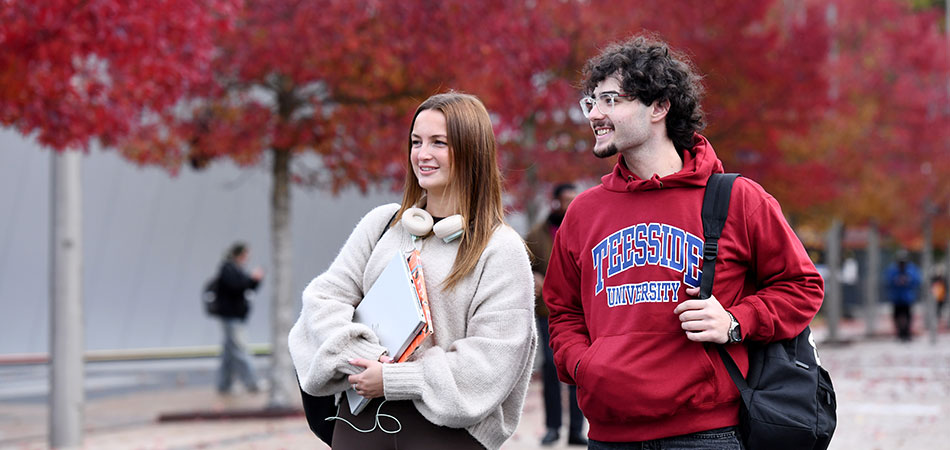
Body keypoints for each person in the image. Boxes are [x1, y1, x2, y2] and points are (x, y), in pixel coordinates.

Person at [543, 34, 824, 448]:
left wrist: (735, 322)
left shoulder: (737, 199)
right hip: (609, 436)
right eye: (591, 102)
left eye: (610, 100)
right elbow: (562, 310)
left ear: (659, 106)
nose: (594, 115)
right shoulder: (583, 214)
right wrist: (584, 365)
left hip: (706, 434)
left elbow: (802, 287)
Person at [288, 92, 536, 450]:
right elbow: (323, 300)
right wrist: (362, 359)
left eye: (439, 143)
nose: (422, 154)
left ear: (472, 151)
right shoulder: (382, 225)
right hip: (359, 421)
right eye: (416, 142)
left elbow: (491, 362)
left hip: (447, 435)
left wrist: (395, 379)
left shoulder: (500, 249)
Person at [525, 183, 587, 446]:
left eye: (574, 199)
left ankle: (575, 429)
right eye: (565, 199)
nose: (570, 204)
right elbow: (523, 268)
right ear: (555, 202)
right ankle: (552, 427)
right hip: (547, 311)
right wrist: (534, 277)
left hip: (581, 311)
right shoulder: (536, 234)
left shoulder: (585, 229)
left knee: (578, 367)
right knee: (552, 367)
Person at [215, 242, 264, 394]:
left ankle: (224, 384)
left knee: (229, 353)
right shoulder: (227, 268)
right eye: (245, 255)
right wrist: (252, 279)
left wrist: (255, 280)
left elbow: (247, 287)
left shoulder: (236, 269)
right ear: (238, 254)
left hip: (236, 317)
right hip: (231, 317)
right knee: (241, 350)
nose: (247, 258)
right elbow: (237, 287)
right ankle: (253, 382)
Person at [884, 249, 921, 341]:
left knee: (908, 316)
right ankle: (899, 332)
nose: (902, 264)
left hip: (907, 297)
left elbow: (917, 280)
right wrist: (896, 281)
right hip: (896, 297)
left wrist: (908, 280)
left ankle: (906, 333)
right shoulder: (892, 269)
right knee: (896, 316)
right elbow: (887, 280)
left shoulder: (911, 269)